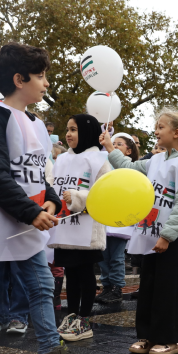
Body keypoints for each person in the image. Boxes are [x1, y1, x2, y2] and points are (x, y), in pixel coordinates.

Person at [0, 42, 98, 354]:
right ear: (19, 79)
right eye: (41, 76)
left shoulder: (38, 123)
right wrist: (30, 211)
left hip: (26, 222)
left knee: (43, 287)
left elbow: (42, 173)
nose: (46, 84)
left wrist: (52, 201)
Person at [100, 107, 178, 354]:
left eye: (160, 127)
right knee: (148, 286)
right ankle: (146, 335)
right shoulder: (156, 160)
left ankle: (170, 338)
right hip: (149, 234)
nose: (155, 132)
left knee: (169, 288)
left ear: (176, 132)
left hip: (171, 238)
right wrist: (110, 148)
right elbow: (129, 168)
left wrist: (167, 236)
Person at [48, 114, 111, 341]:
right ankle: (72, 314)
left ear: (85, 132)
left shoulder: (99, 159)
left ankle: (84, 320)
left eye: (73, 129)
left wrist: (76, 196)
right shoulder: (62, 159)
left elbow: (105, 193)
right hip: (65, 226)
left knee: (85, 273)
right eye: (67, 129)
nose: (68, 134)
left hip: (87, 227)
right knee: (70, 273)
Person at [96, 133, 140, 304]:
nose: (113, 146)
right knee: (103, 255)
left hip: (121, 219)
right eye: (112, 143)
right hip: (104, 216)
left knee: (116, 256)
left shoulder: (132, 168)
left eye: (119, 144)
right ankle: (106, 286)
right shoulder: (105, 165)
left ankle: (116, 288)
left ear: (129, 151)